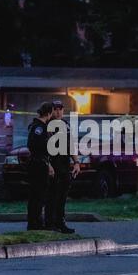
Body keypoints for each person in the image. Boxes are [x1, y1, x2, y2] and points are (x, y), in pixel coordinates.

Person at [45, 100, 81, 234]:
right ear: (51, 111)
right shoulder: (47, 125)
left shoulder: (66, 125)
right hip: (53, 165)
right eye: (55, 109)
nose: (58, 111)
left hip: (65, 165)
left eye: (60, 109)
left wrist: (76, 162)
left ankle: (61, 223)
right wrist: (48, 165)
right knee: (52, 196)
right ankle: (49, 223)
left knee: (62, 197)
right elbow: (43, 148)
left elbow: (71, 145)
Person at [26, 102, 55, 231]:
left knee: (36, 195)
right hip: (38, 164)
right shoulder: (40, 127)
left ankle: (35, 222)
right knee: (38, 195)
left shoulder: (37, 126)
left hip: (37, 163)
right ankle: (35, 223)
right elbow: (36, 146)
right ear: (48, 113)